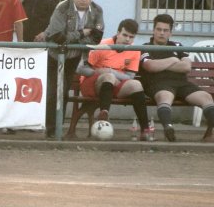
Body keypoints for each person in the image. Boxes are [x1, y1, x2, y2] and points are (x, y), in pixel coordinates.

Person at [42, 0, 104, 137]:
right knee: (53, 92)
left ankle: (57, 129)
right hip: (54, 56)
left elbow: (96, 39)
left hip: (74, 57)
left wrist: (74, 40)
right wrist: (83, 32)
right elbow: (57, 37)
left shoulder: (97, 10)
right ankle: (51, 131)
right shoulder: (62, 8)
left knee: (63, 93)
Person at [140, 14, 214, 142]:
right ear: (153, 30)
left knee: (206, 97)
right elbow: (150, 66)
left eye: (165, 30)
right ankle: (168, 128)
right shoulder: (145, 46)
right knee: (165, 96)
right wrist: (173, 60)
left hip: (182, 83)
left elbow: (186, 67)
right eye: (159, 29)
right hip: (159, 83)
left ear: (170, 33)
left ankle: (210, 131)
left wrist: (162, 64)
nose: (162, 33)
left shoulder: (178, 45)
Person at [78, 19, 152, 141]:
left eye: (131, 37)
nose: (127, 39)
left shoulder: (134, 50)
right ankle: (104, 114)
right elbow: (81, 69)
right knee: (108, 77)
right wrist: (98, 72)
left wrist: (110, 71)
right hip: (92, 84)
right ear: (118, 33)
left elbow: (130, 77)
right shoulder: (103, 45)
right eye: (125, 35)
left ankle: (145, 129)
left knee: (136, 84)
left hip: (115, 84)